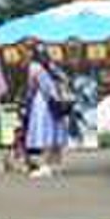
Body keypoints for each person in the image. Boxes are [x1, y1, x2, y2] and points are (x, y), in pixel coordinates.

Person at [22, 46, 73, 177]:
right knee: (54, 133)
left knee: (43, 133)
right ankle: (54, 165)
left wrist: (26, 102)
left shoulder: (34, 67)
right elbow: (66, 79)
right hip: (56, 102)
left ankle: (45, 166)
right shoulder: (51, 66)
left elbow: (32, 86)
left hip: (42, 103)